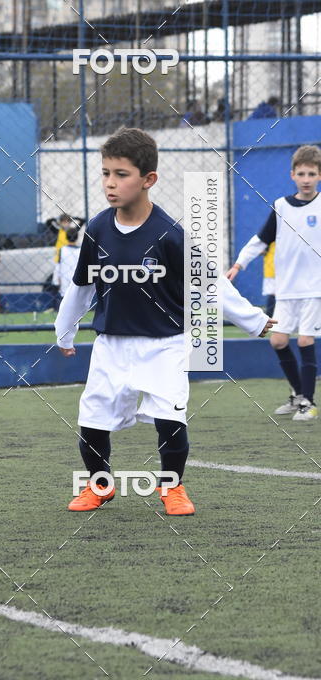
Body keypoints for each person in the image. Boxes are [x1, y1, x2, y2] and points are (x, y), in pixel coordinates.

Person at [55, 127, 275, 516]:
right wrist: (65, 330)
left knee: (170, 420)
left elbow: (211, 287)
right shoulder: (98, 229)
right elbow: (80, 287)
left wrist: (255, 321)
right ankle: (99, 485)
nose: (110, 183)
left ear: (148, 180)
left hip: (165, 344)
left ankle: (172, 488)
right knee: (92, 419)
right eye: (106, 173)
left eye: (121, 174)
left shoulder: (171, 235)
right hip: (111, 344)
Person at [227, 144, 321, 420]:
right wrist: (238, 264)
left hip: (314, 289)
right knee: (278, 341)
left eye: (312, 173)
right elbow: (260, 240)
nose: (306, 178)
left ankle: (308, 403)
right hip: (286, 290)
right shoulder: (281, 206)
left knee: (305, 340)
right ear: (292, 174)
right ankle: (297, 395)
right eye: (301, 173)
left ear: (319, 176)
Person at [52, 227, 81, 303]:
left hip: (65, 283)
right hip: (77, 282)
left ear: (66, 237)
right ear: (77, 237)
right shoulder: (81, 250)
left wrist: (56, 282)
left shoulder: (62, 250)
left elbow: (58, 266)